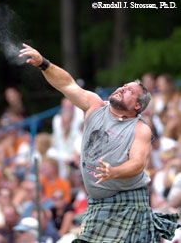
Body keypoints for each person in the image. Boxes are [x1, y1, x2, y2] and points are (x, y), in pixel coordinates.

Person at [19, 44, 181, 242]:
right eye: (124, 85)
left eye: (129, 90)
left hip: (128, 201)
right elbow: (67, 84)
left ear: (137, 106)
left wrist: (114, 172)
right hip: (97, 203)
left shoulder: (140, 128)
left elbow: (138, 163)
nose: (122, 88)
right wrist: (44, 64)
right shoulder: (94, 105)